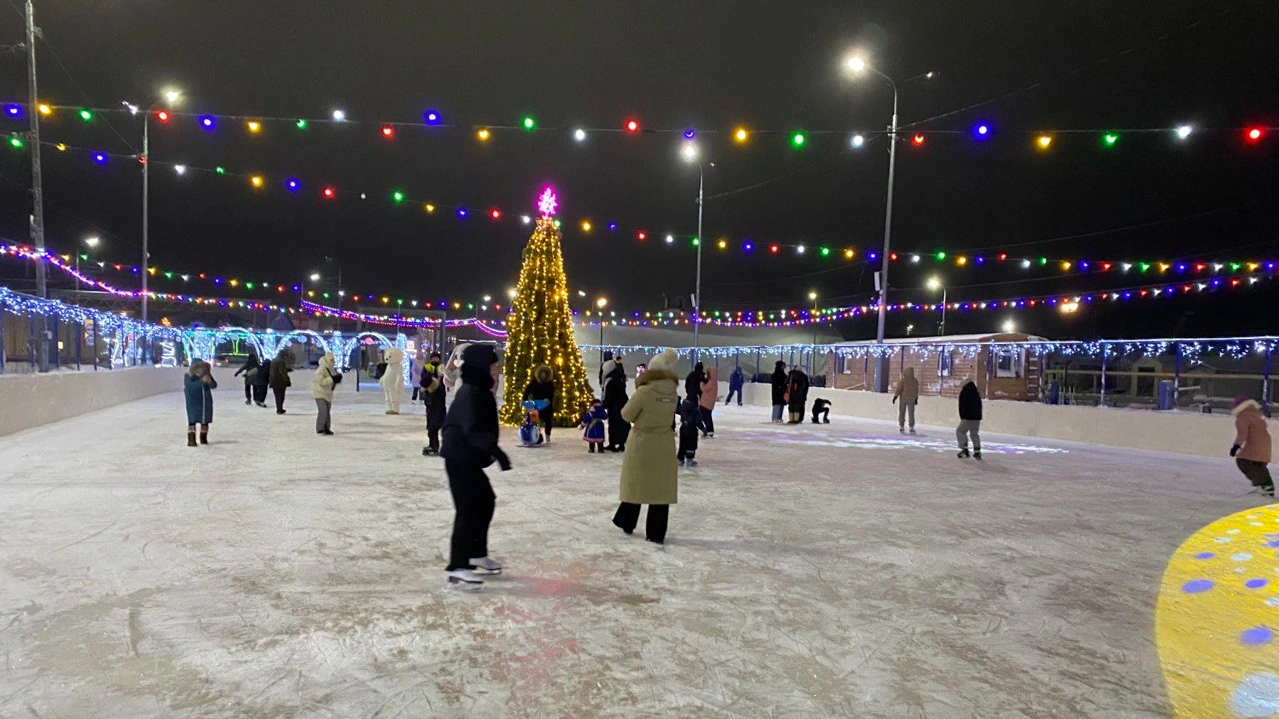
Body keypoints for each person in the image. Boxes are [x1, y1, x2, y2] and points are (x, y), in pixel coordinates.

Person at [440, 343, 512, 586]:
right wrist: (495, 451)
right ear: (482, 366)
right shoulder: (471, 391)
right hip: (459, 458)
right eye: (493, 364)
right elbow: (471, 428)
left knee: (484, 501)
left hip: (467, 457)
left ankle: (476, 553)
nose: (497, 368)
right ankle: (458, 565)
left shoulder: (479, 388)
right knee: (468, 509)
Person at [613, 349, 680, 544]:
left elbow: (626, 414)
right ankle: (656, 532)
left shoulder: (644, 392)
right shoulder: (673, 392)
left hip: (642, 442)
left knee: (636, 483)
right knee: (660, 489)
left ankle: (627, 521)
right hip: (664, 443)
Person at [1231, 395, 1274, 496]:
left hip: (1255, 445)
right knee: (1258, 464)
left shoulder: (1243, 417)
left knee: (1243, 461)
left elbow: (1242, 434)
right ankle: (1267, 486)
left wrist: (1236, 446)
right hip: (1266, 445)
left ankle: (1264, 485)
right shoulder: (1256, 415)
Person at [184, 360, 217, 447]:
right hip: (193, 403)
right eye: (199, 367)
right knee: (192, 421)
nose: (201, 369)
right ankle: (191, 439)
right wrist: (202, 381)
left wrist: (209, 381)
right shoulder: (188, 376)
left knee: (205, 421)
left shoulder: (207, 375)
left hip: (206, 402)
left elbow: (214, 385)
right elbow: (190, 386)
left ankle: (203, 438)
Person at [421, 351, 447, 456]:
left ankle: (435, 446)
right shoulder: (427, 367)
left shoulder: (442, 367)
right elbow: (424, 378)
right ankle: (433, 445)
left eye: (436, 358)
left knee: (433, 428)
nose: (435, 360)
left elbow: (447, 378)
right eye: (433, 358)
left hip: (436, 397)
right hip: (431, 395)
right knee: (432, 428)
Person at [522, 365, 556, 443]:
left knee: (548, 422)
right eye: (542, 373)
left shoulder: (549, 383)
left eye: (545, 374)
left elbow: (551, 393)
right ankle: (535, 434)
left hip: (546, 406)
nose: (543, 375)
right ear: (539, 373)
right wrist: (524, 399)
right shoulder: (534, 381)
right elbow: (527, 390)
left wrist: (548, 399)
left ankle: (547, 436)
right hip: (535, 406)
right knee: (533, 421)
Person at [602, 360, 630, 452]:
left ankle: (613, 444)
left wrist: (604, 405)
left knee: (614, 425)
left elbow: (610, 395)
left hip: (615, 406)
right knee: (621, 424)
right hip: (622, 404)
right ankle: (621, 444)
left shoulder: (611, 380)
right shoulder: (619, 377)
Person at [312, 352, 340, 436]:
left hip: (328, 393)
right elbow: (320, 381)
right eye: (331, 360)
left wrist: (338, 379)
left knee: (327, 412)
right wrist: (332, 379)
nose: (333, 361)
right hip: (319, 393)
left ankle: (327, 428)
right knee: (323, 411)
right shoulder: (321, 369)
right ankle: (320, 428)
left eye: (333, 360)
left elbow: (334, 381)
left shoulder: (332, 369)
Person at [957, 378, 982, 459]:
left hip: (967, 417)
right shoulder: (976, 392)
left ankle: (965, 450)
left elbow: (962, 405)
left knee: (960, 431)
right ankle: (977, 451)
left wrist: (962, 417)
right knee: (974, 434)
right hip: (977, 418)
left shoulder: (964, 392)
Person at [892, 366, 920, 434]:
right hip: (911, 399)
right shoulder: (915, 381)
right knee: (911, 413)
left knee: (902, 412)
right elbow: (916, 391)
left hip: (903, 399)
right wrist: (916, 398)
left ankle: (901, 426)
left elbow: (899, 389)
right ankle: (911, 427)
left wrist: (895, 397)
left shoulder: (903, 380)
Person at [379, 347, 405, 415]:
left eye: (390, 356)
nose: (387, 358)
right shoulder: (388, 366)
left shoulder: (398, 366)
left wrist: (398, 383)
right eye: (387, 356)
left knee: (394, 396)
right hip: (387, 384)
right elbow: (386, 374)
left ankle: (395, 409)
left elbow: (399, 376)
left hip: (393, 385)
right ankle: (390, 407)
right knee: (387, 397)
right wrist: (382, 379)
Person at [677, 395, 700, 467]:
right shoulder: (695, 410)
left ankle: (680, 460)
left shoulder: (682, 408)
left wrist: (678, 401)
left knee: (682, 444)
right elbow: (698, 421)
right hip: (692, 430)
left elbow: (676, 409)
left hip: (683, 429)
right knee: (691, 445)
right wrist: (703, 429)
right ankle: (689, 460)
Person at [268, 348, 292, 414]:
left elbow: (275, 370)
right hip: (280, 381)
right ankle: (279, 409)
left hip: (273, 380)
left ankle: (279, 408)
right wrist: (287, 380)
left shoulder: (273, 361)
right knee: (281, 396)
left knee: (277, 396)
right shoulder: (281, 361)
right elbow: (282, 372)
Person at [698, 366, 718, 437]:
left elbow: (703, 388)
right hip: (709, 402)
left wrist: (701, 382)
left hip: (706, 402)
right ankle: (710, 430)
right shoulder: (714, 382)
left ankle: (709, 430)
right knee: (708, 416)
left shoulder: (710, 382)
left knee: (705, 416)